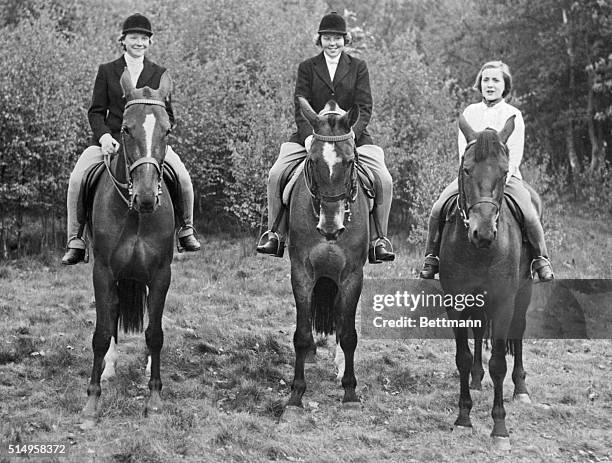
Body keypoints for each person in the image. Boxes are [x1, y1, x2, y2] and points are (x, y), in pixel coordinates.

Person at [61, 13, 200, 265]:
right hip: (112, 142)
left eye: (144, 38)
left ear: (150, 42)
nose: (139, 42)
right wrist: (103, 137)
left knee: (183, 177)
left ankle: (186, 229)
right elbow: (95, 111)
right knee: (77, 178)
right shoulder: (107, 71)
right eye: (134, 37)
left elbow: (169, 115)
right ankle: (76, 239)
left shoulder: (159, 73)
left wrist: (159, 134)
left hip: (148, 144)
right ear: (123, 40)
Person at [256, 11, 395, 263]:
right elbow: (300, 106)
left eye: (338, 38)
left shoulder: (358, 67)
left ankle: (378, 239)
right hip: (312, 138)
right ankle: (274, 234)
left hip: (352, 138)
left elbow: (364, 108)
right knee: (276, 175)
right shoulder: (307, 67)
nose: (332, 43)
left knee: (383, 180)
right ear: (319, 39)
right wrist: (310, 137)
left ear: (346, 40)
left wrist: (352, 135)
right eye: (327, 38)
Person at [419, 60, 554, 281]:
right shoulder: (470, 112)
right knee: (438, 207)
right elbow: (464, 153)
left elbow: (515, 154)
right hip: (472, 179)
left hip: (505, 178)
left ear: (505, 85)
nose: (490, 85)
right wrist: (471, 175)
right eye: (485, 80)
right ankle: (432, 257)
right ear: (480, 84)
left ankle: (541, 258)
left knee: (529, 212)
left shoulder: (513, 114)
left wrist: (500, 176)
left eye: (495, 80)